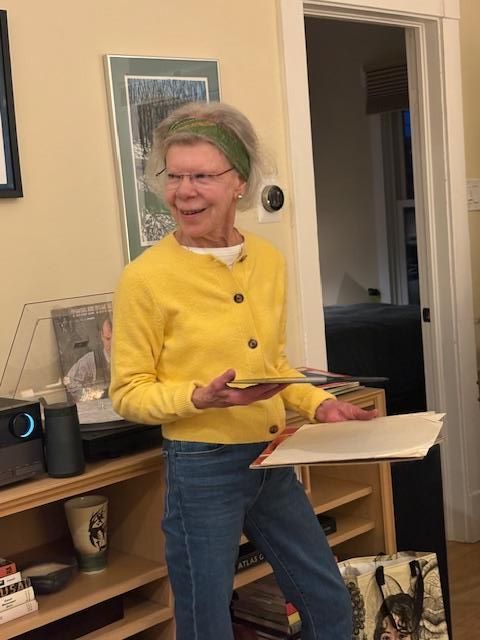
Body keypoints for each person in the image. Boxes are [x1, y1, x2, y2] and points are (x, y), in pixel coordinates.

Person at [109, 101, 378, 640]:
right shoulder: (145, 278)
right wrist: (196, 398)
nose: (183, 191)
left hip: (270, 456)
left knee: (328, 601)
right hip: (200, 467)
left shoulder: (269, 260)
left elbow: (270, 365)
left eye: (202, 176)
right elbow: (128, 392)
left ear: (240, 183)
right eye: (174, 176)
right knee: (206, 622)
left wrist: (319, 404)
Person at [64, 315, 112, 401]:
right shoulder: (90, 360)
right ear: (102, 336)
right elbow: (69, 379)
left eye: (116, 339)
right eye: (108, 339)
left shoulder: (130, 357)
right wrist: (87, 396)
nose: (112, 344)